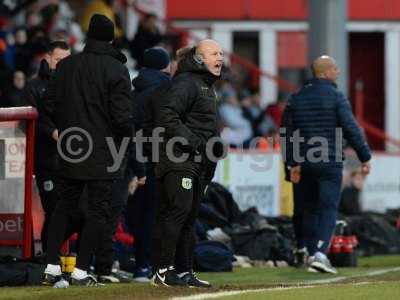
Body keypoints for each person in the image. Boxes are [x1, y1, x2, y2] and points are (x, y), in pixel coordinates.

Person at [41, 14, 133, 286]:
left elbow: (48, 104)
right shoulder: (116, 69)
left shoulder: (67, 66)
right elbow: (122, 117)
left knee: (63, 207)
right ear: (111, 38)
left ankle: (51, 267)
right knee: (97, 211)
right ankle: (81, 270)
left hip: (70, 147)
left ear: (87, 35)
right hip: (103, 151)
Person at [281, 55, 371, 274]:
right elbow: (351, 128)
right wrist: (365, 156)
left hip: (303, 162)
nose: (338, 72)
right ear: (326, 72)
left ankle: (306, 251)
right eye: (335, 68)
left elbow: (286, 133)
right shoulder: (336, 97)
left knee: (307, 208)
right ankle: (321, 254)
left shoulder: (296, 98)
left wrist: (291, 163)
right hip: (329, 160)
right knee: (328, 207)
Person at [151, 39, 224, 288]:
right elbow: (167, 116)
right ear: (200, 58)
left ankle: (183, 271)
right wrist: (194, 143)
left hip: (196, 161)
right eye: (214, 53)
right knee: (178, 213)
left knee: (189, 218)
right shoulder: (186, 83)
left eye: (221, 53)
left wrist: (212, 152)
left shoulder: (206, 86)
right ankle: (162, 270)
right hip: (177, 158)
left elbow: (206, 127)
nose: (220, 57)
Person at [124, 47, 172, 282]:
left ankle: (140, 264)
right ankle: (156, 265)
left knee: (138, 215)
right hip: (160, 160)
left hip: (132, 160)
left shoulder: (133, 92)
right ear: (164, 66)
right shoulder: (167, 92)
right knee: (157, 214)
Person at [23, 41, 71, 253]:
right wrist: (52, 132)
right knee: (53, 209)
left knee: (71, 210)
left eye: (66, 60)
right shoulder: (34, 86)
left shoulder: (72, 84)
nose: (63, 64)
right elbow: (32, 119)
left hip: (71, 158)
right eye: (59, 60)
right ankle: (48, 258)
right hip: (46, 159)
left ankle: (52, 256)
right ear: (49, 57)